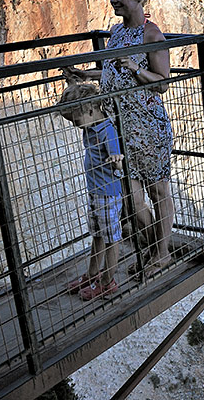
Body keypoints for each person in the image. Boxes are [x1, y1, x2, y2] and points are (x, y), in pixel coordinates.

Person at [63, 0, 174, 276]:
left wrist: (135, 68)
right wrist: (87, 74)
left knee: (158, 192)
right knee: (134, 202)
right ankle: (155, 248)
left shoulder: (152, 34)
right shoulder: (118, 33)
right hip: (121, 129)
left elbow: (162, 82)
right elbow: (113, 71)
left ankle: (161, 254)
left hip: (148, 129)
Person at [58, 82, 123, 300]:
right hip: (96, 191)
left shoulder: (107, 131)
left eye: (76, 120)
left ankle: (107, 282)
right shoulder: (90, 127)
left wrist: (116, 161)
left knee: (111, 237)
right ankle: (92, 274)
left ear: (91, 109)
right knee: (98, 235)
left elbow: (119, 162)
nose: (76, 126)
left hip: (108, 194)